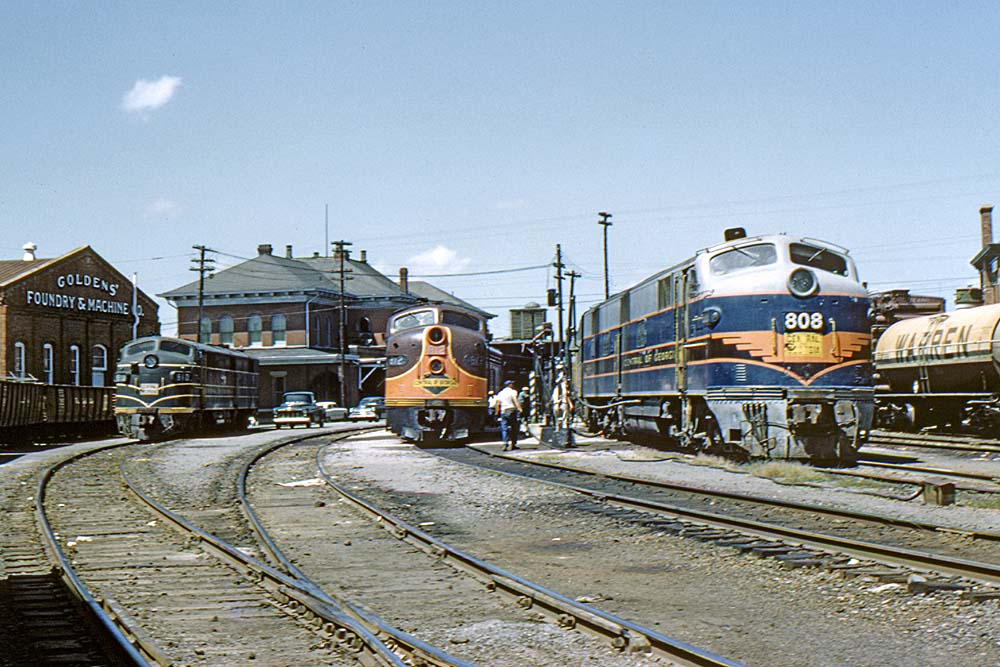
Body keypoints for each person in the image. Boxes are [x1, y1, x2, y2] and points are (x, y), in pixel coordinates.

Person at [495, 379, 522, 450]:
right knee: (514, 428)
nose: (513, 385)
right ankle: (513, 444)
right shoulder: (513, 392)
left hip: (503, 411)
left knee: (504, 428)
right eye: (512, 384)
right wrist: (520, 408)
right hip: (511, 410)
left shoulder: (500, 393)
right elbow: (515, 400)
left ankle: (505, 443)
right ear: (509, 385)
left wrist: (496, 413)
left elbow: (498, 403)